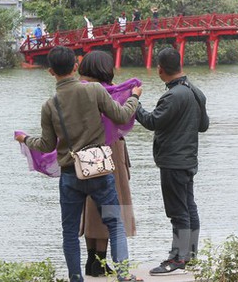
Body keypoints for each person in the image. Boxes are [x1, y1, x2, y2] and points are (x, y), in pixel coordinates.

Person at [14, 46, 142, 282]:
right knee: (115, 224)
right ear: (75, 66)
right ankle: (124, 276)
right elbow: (122, 116)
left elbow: (46, 144)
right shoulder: (94, 90)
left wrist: (24, 139)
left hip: (70, 175)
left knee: (70, 233)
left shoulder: (50, 105)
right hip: (99, 172)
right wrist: (134, 96)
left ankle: (76, 278)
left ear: (50, 71)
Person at [135, 48, 209, 276]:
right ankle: (191, 255)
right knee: (189, 207)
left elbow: (151, 121)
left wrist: (133, 102)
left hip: (173, 162)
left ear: (160, 69)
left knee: (178, 212)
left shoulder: (172, 96)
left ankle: (177, 258)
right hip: (188, 160)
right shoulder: (196, 92)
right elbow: (203, 126)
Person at [78, 51, 138, 277]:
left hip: (85, 150)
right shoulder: (108, 92)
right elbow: (123, 116)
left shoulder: (78, 90)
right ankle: (101, 263)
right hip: (109, 151)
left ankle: (92, 261)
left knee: (91, 205)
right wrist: (134, 96)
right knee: (111, 205)